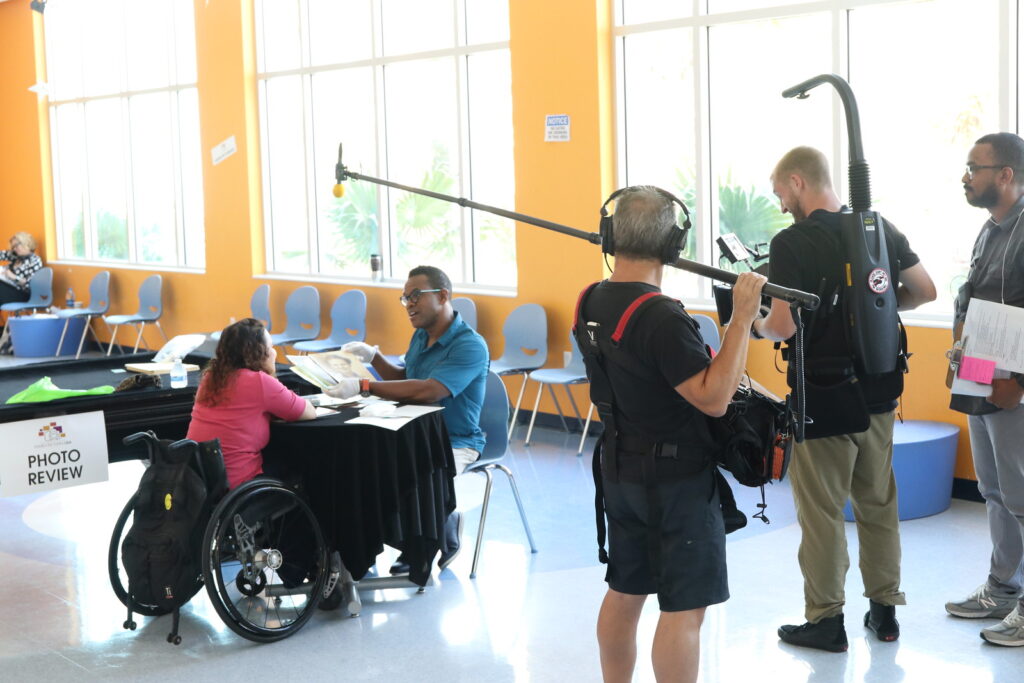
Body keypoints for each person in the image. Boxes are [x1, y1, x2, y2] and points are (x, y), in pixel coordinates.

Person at [576, 186, 766, 683]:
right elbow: (714, 397)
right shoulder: (661, 317)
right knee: (685, 608)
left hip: (621, 471)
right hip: (675, 480)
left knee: (626, 590)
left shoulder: (590, 300)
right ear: (674, 246)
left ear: (611, 237)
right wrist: (741, 317)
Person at [753, 146, 936, 652]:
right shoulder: (878, 226)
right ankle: (885, 613)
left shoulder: (793, 241)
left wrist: (756, 325)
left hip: (824, 399)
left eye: (780, 193)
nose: (781, 204)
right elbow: (923, 289)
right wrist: (872, 305)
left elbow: (783, 324)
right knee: (878, 504)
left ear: (797, 181)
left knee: (822, 513)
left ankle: (826, 621)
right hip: (880, 392)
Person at [329, 265, 488, 574]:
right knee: (363, 469)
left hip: (455, 441)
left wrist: (365, 386)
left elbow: (429, 391)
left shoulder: (470, 345)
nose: (409, 304)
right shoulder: (421, 336)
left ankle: (430, 536)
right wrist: (373, 357)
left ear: (443, 296)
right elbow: (406, 377)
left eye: (416, 296)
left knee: (417, 478)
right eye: (405, 298)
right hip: (409, 433)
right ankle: (365, 548)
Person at [945, 132, 1024, 647]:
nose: (966, 176)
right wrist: (960, 357)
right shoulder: (988, 230)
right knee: (992, 490)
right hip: (977, 371)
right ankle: (1002, 588)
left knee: (1022, 496)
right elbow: (974, 299)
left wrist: (1018, 382)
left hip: (1013, 384)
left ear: (1006, 175)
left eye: (976, 167)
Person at [187, 318, 316, 490]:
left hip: (198, 478)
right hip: (237, 482)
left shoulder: (210, 377)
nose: (274, 353)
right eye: (270, 348)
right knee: (301, 463)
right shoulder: (259, 381)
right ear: (258, 353)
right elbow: (308, 412)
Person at [0, 232, 44, 306]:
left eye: (17, 245)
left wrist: (14, 277)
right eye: (13, 247)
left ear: (26, 243)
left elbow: (30, 284)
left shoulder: (35, 261)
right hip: (8, 290)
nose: (15, 249)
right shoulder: (15, 256)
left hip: (23, 294)